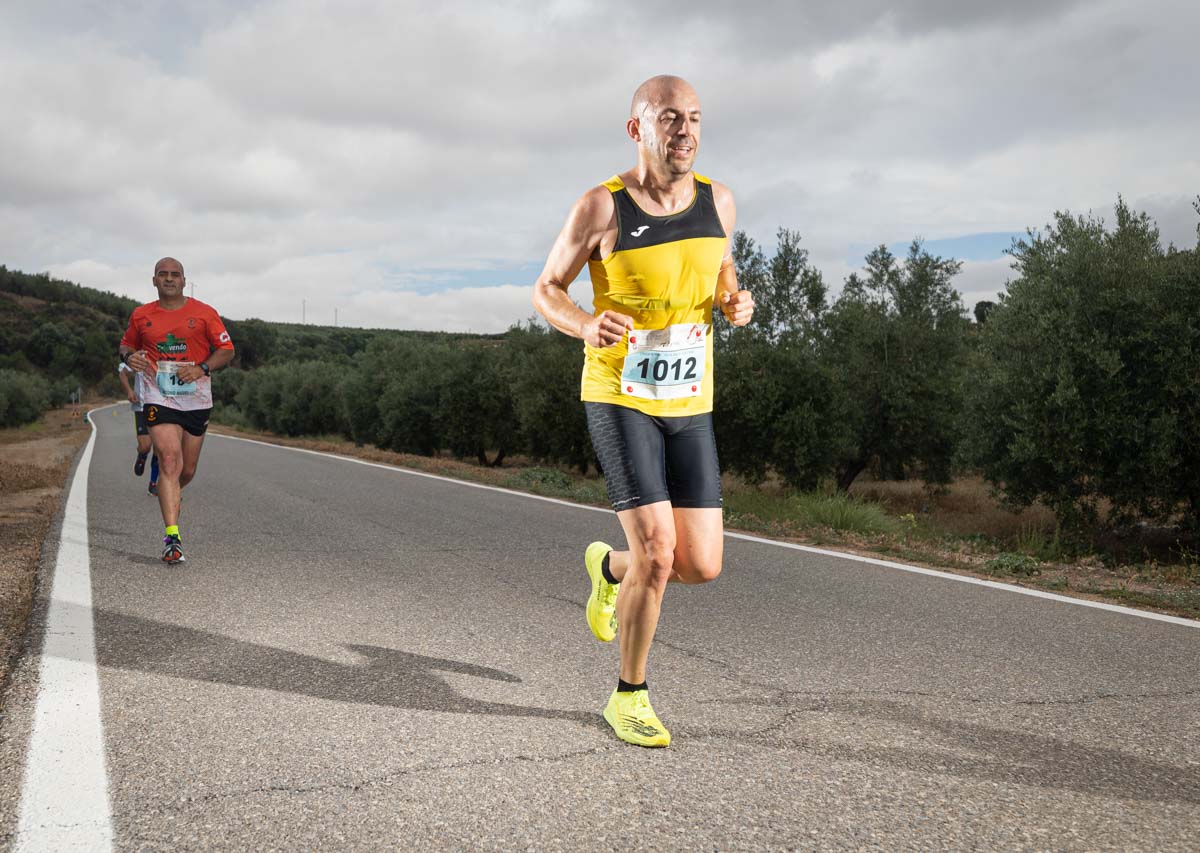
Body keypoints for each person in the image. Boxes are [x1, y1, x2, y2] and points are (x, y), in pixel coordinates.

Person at [532, 75, 754, 747]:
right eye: (669, 118)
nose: (684, 130)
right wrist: (582, 323)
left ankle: (608, 569)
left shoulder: (720, 203)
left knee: (700, 564)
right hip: (620, 395)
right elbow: (546, 288)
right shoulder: (601, 208)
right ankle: (629, 694)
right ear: (638, 129)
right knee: (657, 550)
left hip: (691, 401)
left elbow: (722, 271)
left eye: (692, 118)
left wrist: (734, 302)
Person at [119, 258, 235, 564]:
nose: (169, 279)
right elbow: (125, 347)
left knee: (186, 470)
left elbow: (226, 350)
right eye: (163, 275)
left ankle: (172, 493)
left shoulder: (204, 313)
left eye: (175, 275)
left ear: (184, 280)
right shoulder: (141, 315)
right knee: (169, 460)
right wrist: (130, 358)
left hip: (196, 397)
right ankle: (173, 537)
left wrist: (202, 368)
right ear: (154, 280)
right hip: (158, 394)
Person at [117, 358, 160, 494]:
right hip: (141, 407)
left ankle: (154, 483)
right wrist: (129, 391)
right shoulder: (140, 356)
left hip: (163, 407)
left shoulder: (166, 354)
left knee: (160, 448)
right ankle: (142, 455)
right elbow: (122, 372)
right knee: (145, 445)